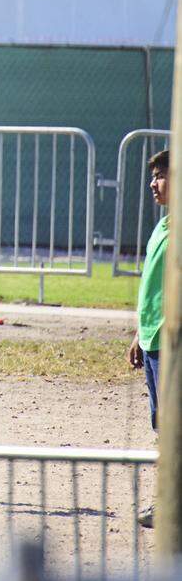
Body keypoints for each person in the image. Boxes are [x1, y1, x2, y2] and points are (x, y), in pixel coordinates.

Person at [128, 148, 169, 528]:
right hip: (154, 338)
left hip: (174, 342)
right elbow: (151, 288)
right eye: (153, 177)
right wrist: (139, 334)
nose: (153, 184)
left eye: (161, 176)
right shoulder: (162, 227)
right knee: (162, 423)